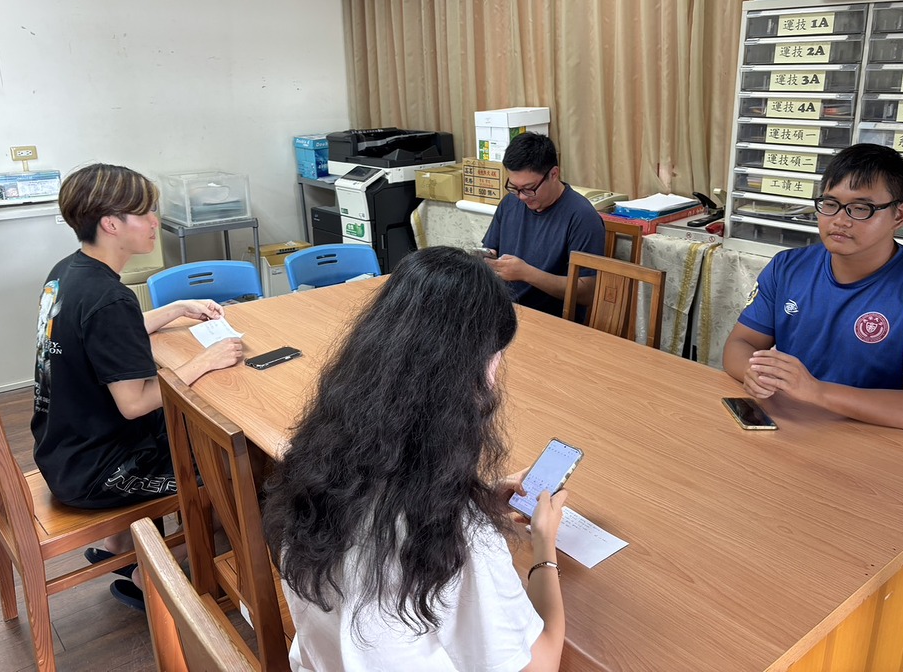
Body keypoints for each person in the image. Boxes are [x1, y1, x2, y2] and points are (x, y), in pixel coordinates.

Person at [262, 246, 568, 671]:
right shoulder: (455, 537)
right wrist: (544, 547)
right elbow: (541, 663)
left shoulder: (314, 464)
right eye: (497, 358)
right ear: (474, 373)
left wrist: (480, 501)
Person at [32, 163, 244, 607]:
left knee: (199, 433)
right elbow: (136, 402)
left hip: (64, 450)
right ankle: (156, 578)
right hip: (103, 472)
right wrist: (203, 361)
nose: (154, 222)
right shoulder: (109, 297)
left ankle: (120, 545)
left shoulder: (68, 272)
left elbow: (102, 333)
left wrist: (175, 309)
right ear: (111, 224)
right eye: (144, 213)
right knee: (234, 463)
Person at [723, 143, 903, 437]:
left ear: (900, 214)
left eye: (861, 208)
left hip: (881, 443)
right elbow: (739, 345)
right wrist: (755, 372)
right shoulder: (787, 268)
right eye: (830, 204)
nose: (840, 220)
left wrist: (817, 392)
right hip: (794, 429)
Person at [482, 132, 605, 317]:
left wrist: (527, 273)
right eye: (514, 187)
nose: (521, 197)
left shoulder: (582, 217)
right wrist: (487, 259)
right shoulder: (510, 203)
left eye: (529, 188)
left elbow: (588, 293)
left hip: (550, 320)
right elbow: (491, 250)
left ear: (553, 174)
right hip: (506, 311)